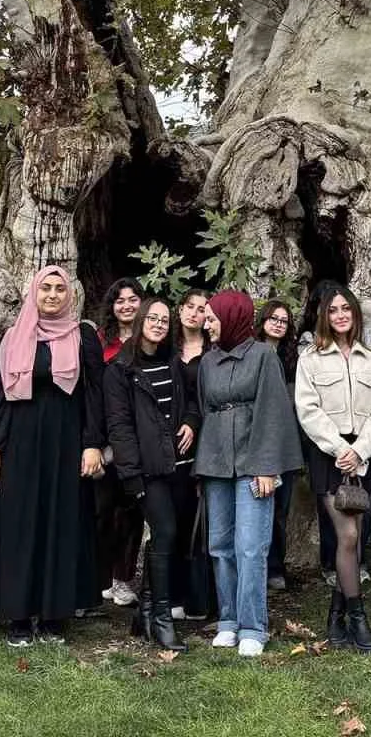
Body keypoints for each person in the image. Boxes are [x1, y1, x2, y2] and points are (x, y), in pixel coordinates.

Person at [0, 266, 107, 647]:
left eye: (59, 289)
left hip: (66, 444)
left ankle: (54, 617)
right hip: (20, 444)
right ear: (33, 293)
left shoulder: (84, 337)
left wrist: (92, 444)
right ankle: (19, 617)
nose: (52, 295)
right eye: (45, 288)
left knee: (60, 524)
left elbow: (94, 396)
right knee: (21, 526)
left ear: (69, 295)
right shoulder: (12, 337)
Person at [196, 288, 303, 658]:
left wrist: (267, 467)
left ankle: (253, 626)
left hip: (254, 463)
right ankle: (228, 620)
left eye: (211, 317)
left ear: (231, 317)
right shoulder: (208, 361)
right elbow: (205, 407)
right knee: (220, 545)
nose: (205, 322)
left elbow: (274, 413)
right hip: (215, 463)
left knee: (251, 546)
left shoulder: (262, 357)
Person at [297, 283, 371, 652]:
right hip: (330, 455)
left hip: (366, 454)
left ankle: (335, 615)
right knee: (348, 537)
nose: (340, 315)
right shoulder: (311, 359)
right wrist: (340, 449)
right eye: (333, 310)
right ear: (324, 316)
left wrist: (361, 450)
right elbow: (308, 410)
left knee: (359, 535)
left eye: (345, 309)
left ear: (354, 314)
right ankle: (358, 615)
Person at [104, 296, 200, 651]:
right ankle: (161, 618)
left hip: (178, 465)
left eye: (164, 319)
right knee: (166, 531)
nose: (159, 324)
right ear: (142, 319)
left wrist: (191, 421)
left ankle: (143, 613)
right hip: (146, 471)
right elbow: (119, 427)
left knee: (166, 536)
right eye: (153, 318)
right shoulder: (120, 369)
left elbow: (191, 400)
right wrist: (132, 476)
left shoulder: (173, 361)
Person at [95, 277, 146, 609]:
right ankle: (98, 577)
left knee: (132, 511)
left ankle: (123, 578)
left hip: (141, 439)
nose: (126, 305)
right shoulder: (101, 342)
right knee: (102, 510)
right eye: (120, 300)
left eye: (133, 299)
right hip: (105, 438)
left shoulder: (150, 339)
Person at [171, 288, 216, 618]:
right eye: (189, 306)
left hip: (206, 442)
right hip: (170, 447)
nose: (194, 313)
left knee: (203, 524)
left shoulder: (213, 353)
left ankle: (200, 599)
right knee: (173, 521)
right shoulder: (165, 348)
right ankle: (173, 596)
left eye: (202, 309)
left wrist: (195, 424)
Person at [259, 298, 300, 591]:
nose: (277, 324)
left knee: (280, 514)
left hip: (287, 447)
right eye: (273, 318)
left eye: (283, 321)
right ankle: (256, 567)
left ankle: (276, 567)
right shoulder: (251, 354)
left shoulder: (293, 361)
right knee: (258, 510)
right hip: (258, 448)